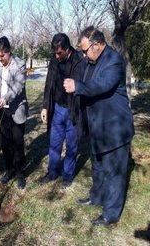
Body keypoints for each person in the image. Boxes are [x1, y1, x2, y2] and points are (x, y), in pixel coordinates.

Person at [63, 26, 135, 226]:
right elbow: (87, 85)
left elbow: (100, 86)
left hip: (115, 128)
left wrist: (77, 86)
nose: (83, 55)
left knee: (114, 173)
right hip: (98, 126)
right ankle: (96, 197)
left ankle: (111, 214)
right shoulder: (91, 61)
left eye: (85, 50)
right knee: (98, 166)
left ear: (97, 45)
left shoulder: (113, 61)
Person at [39, 33, 85, 189]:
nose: (56, 56)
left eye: (59, 53)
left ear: (67, 49)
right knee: (54, 144)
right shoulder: (54, 60)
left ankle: (67, 175)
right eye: (55, 53)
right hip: (57, 108)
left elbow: (85, 86)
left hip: (73, 110)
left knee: (72, 146)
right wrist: (45, 106)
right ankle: (52, 172)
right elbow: (48, 84)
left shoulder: (79, 60)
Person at [0, 36, 29, 189]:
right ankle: (10, 170)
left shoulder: (20, 65)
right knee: (5, 144)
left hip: (17, 110)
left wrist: (6, 98)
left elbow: (18, 86)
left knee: (18, 143)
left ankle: (20, 173)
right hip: (3, 112)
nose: (0, 60)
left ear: (8, 52)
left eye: (2, 56)